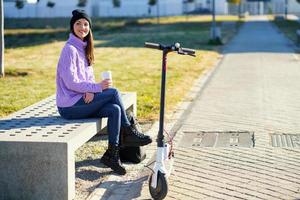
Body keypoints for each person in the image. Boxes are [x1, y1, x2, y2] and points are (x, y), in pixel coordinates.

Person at [56, 9, 152, 175]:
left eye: (86, 24)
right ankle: (129, 133)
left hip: (82, 100)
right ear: (72, 27)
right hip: (69, 106)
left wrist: (91, 90)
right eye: (78, 24)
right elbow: (70, 82)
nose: (82, 27)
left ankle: (112, 155)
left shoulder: (84, 48)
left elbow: (87, 79)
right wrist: (96, 88)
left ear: (89, 28)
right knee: (113, 92)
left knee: (114, 110)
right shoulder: (69, 49)